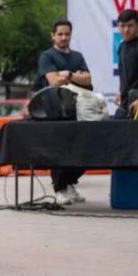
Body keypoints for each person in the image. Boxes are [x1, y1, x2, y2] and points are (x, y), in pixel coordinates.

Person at [35, 19, 93, 205]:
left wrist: (68, 74)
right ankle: (59, 188)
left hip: (77, 109)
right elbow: (53, 81)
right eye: (60, 34)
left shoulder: (77, 56)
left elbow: (88, 79)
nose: (63, 37)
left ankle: (70, 183)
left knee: (81, 148)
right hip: (55, 111)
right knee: (59, 150)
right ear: (53, 35)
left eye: (67, 34)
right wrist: (75, 76)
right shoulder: (47, 56)